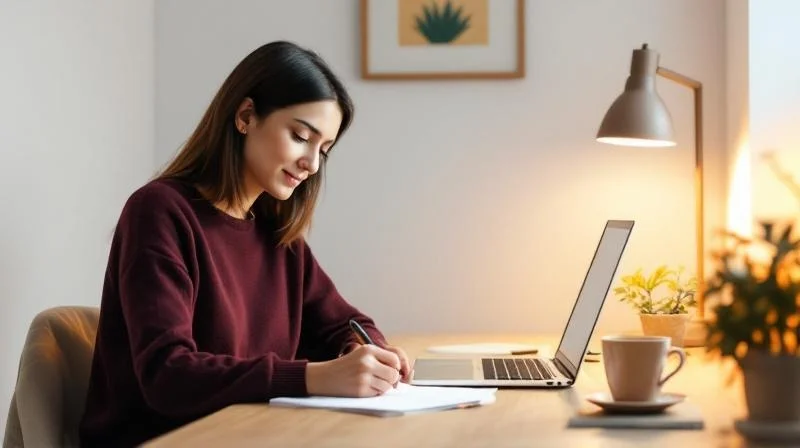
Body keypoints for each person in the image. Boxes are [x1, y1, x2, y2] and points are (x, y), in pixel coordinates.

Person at [79, 41, 411, 447]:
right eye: (300, 136)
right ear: (246, 116)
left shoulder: (278, 234)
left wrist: (370, 352)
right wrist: (314, 376)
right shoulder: (159, 211)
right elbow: (168, 376)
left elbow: (345, 323)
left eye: (324, 149)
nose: (312, 164)